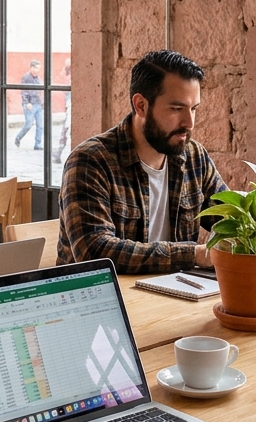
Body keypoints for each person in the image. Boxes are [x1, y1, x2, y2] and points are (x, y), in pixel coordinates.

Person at [57, 49, 228, 274]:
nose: (189, 122)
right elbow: (94, 251)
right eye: (177, 109)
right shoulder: (90, 161)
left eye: (194, 109)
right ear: (141, 105)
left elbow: (233, 220)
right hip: (101, 295)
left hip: (173, 291)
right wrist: (195, 255)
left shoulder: (195, 157)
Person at [15, 60, 44, 150]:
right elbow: (23, 91)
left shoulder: (38, 79)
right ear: (31, 68)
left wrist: (42, 103)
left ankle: (37, 144)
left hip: (38, 104)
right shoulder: (26, 77)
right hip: (30, 104)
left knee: (40, 125)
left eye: (39, 68)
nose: (38, 70)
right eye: (36, 68)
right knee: (28, 124)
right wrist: (27, 102)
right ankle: (18, 137)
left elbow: (41, 91)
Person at [53, 57, 72, 163]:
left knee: (66, 130)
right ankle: (58, 153)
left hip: (70, 101)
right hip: (69, 101)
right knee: (65, 130)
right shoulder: (66, 73)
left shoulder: (69, 75)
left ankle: (59, 154)